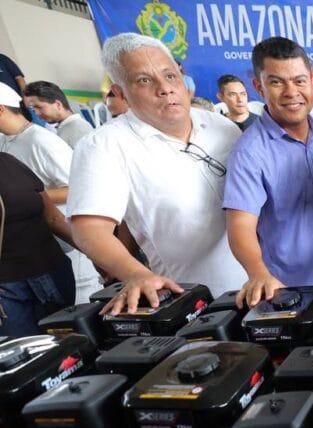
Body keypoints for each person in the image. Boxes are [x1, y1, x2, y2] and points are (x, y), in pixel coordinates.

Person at [67, 33, 245, 314]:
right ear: (121, 93)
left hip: (258, 287)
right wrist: (136, 274)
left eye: (170, 76)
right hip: (193, 302)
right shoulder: (104, 145)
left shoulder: (221, 127)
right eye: (144, 80)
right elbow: (89, 228)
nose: (165, 89)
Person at [224, 36, 313, 308]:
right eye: (277, 82)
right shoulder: (249, 152)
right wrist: (258, 273)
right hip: (289, 291)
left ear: (312, 81)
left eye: (299, 81)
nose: (292, 92)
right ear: (259, 87)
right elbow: (240, 227)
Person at [0, 82, 102, 304]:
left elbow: (79, 187)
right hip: (39, 250)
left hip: (69, 245)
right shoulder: (5, 142)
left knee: (81, 310)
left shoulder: (40, 140)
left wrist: (33, 197)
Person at [0, 152, 76, 336]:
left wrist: (97, 256)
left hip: (54, 274)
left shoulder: (9, 162)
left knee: (72, 346)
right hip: (8, 289)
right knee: (25, 350)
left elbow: (54, 218)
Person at [22, 81, 93, 148]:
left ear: (58, 105)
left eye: (39, 107)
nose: (36, 113)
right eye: (33, 109)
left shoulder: (78, 129)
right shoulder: (66, 127)